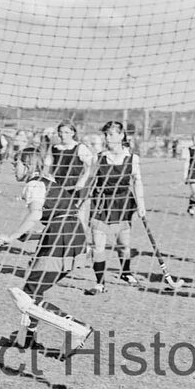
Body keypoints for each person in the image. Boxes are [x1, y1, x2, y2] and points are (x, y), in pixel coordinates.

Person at [0, 147, 92, 352]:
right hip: (72, 235)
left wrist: (12, 236)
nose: (14, 167)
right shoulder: (48, 181)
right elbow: (58, 214)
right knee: (35, 290)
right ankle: (26, 340)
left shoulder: (33, 185)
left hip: (61, 238)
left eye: (17, 163)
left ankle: (77, 328)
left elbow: (35, 214)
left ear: (28, 165)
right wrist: (27, 236)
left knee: (27, 295)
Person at [85, 120, 147, 295]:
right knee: (98, 246)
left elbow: (137, 181)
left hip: (122, 203)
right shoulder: (98, 157)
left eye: (111, 134)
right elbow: (89, 181)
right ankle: (100, 282)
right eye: (106, 134)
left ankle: (125, 272)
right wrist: (78, 200)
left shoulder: (132, 158)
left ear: (121, 135)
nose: (107, 137)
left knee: (124, 245)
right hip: (101, 203)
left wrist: (141, 205)